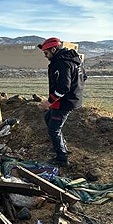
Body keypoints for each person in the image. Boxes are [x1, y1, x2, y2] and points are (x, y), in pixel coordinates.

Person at [36, 37, 86, 167]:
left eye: (46, 53)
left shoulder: (61, 62)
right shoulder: (73, 59)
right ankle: (59, 146)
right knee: (48, 118)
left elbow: (64, 87)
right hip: (69, 98)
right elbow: (84, 77)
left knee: (54, 130)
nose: (45, 56)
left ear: (53, 49)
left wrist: (49, 101)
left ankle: (62, 158)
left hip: (64, 102)